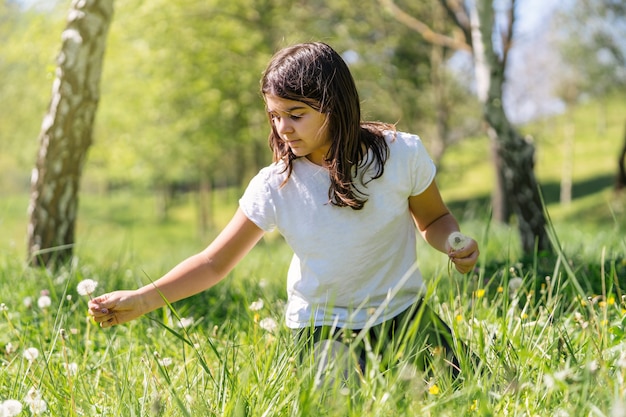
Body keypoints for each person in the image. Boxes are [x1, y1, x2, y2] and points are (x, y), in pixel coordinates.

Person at [88, 42, 480, 382]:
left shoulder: (401, 154)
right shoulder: (274, 185)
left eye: (295, 114)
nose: (283, 128)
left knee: (477, 391)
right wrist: (143, 299)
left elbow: (433, 220)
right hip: (324, 328)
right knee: (339, 401)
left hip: (403, 315)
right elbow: (212, 262)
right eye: (274, 115)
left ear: (335, 107)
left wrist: (453, 245)